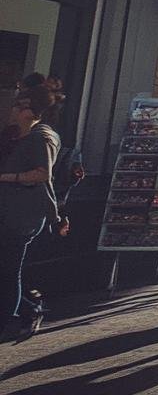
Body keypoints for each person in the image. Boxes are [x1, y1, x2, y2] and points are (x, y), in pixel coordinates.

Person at [0, 84, 59, 338]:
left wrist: (6, 177)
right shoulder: (18, 135)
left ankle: (7, 322)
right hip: (10, 210)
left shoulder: (41, 137)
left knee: (9, 268)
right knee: (6, 267)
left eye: (17, 105)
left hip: (22, 214)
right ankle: (29, 308)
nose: (12, 109)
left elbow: (43, 174)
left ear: (27, 110)